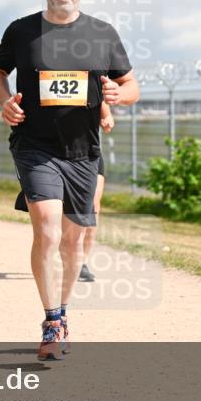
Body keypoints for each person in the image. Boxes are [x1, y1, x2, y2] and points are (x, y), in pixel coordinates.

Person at [0, 0, 139, 361]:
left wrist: (117, 95)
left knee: (73, 244)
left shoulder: (102, 33)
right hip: (34, 147)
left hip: (82, 152)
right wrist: (4, 101)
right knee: (48, 230)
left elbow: (131, 85)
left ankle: (64, 311)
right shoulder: (22, 32)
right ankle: (51, 319)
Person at [78, 103, 114, 282]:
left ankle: (82, 262)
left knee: (92, 206)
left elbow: (100, 100)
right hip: (54, 154)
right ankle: (67, 251)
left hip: (90, 153)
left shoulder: (91, 76)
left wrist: (107, 116)